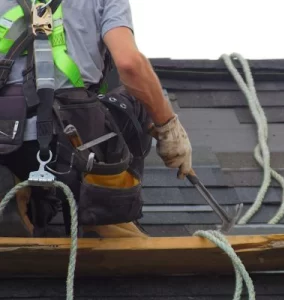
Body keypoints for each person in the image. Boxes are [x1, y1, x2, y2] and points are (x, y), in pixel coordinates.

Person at [0, 0, 192, 238]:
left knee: (39, 186)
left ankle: (21, 194)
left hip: (7, 140)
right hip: (71, 139)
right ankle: (107, 208)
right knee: (139, 98)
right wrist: (167, 125)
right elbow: (130, 64)